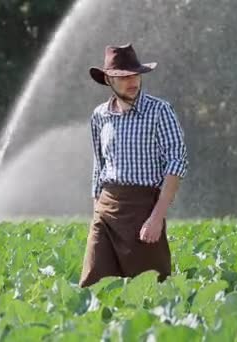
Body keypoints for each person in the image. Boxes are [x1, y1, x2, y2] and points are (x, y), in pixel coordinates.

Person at [78, 43, 189, 287]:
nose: (133, 81)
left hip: (143, 209)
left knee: (150, 289)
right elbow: (99, 165)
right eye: (124, 76)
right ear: (108, 80)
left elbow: (176, 162)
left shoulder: (160, 111)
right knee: (92, 286)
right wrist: (96, 210)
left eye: (135, 74)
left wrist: (157, 217)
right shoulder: (99, 116)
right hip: (106, 211)